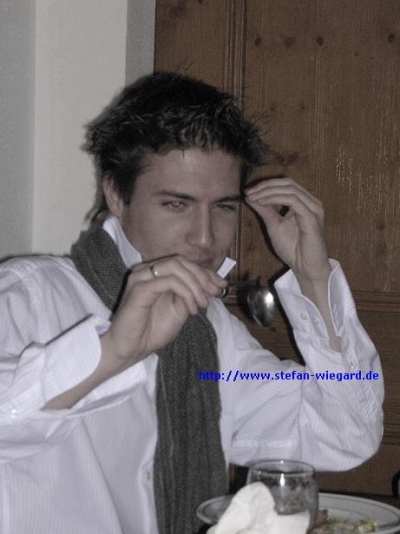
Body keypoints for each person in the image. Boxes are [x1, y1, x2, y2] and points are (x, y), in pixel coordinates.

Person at [0, 72, 383, 534]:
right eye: (176, 204)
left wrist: (315, 281)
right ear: (116, 195)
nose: (205, 237)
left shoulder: (212, 333)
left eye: (223, 207)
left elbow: (346, 433)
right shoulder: (30, 294)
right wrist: (111, 353)